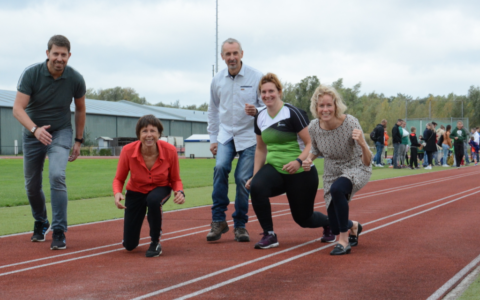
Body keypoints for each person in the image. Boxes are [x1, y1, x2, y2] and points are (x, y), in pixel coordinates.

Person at [12, 35, 86, 250]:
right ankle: (41, 220)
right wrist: (35, 130)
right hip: (33, 132)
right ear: (48, 54)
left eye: (64, 55)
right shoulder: (31, 74)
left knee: (56, 175)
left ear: (69, 56)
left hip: (60, 132)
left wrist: (79, 140)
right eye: (55, 54)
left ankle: (59, 230)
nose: (59, 58)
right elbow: (18, 109)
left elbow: (80, 109)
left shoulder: (76, 78)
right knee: (32, 186)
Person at [245, 73, 335, 249]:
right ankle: (269, 235)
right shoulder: (260, 117)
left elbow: (311, 143)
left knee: (303, 219)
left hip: (301, 172)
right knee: (257, 187)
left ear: (279, 92)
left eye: (271, 91)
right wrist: (254, 176)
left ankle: (331, 222)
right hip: (275, 169)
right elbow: (261, 149)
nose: (267, 95)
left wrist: (298, 161)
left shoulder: (293, 113)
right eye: (263, 92)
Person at [207, 38, 264, 242]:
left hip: (249, 136)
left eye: (235, 53)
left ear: (242, 53)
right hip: (225, 135)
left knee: (242, 179)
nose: (232, 58)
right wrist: (213, 139)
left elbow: (268, 104)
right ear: (222, 57)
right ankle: (218, 220)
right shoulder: (217, 80)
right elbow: (213, 111)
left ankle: (240, 225)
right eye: (228, 54)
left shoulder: (256, 77)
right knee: (220, 168)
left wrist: (257, 110)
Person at [304, 85, 371, 255]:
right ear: (316, 107)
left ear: (336, 106)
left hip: (356, 167)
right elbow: (316, 149)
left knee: (338, 189)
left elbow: (367, 160)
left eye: (329, 105)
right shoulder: (313, 127)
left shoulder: (350, 122)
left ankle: (344, 241)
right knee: (334, 225)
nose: (325, 109)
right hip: (331, 172)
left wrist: (363, 143)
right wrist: (308, 160)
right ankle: (354, 226)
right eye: (321, 106)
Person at [113, 115, 185, 257]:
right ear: (139, 135)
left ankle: (155, 242)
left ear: (159, 134)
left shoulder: (170, 151)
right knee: (129, 245)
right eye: (145, 131)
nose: (149, 135)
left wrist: (179, 191)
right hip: (136, 190)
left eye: (153, 131)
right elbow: (118, 179)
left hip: (160, 187)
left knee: (153, 201)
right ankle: (130, 238)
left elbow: (175, 179)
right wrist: (117, 193)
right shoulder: (128, 151)